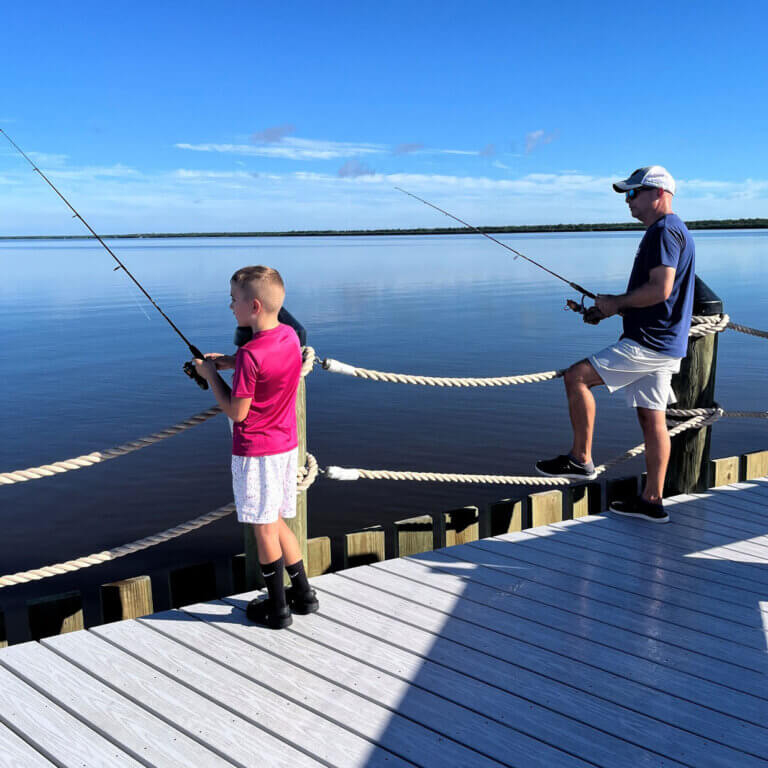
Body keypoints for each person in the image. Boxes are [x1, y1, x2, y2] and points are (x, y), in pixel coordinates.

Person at [536, 166, 695, 523]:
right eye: (627, 195)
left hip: (648, 343)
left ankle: (581, 460)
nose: (628, 202)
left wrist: (616, 303)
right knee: (652, 417)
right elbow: (657, 296)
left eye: (633, 194)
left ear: (658, 194)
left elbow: (660, 290)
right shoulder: (674, 230)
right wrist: (606, 310)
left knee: (576, 377)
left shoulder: (664, 232)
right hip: (666, 343)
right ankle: (652, 500)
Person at [194, 265, 318, 627]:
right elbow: (269, 368)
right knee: (277, 519)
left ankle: (277, 608)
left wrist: (212, 375)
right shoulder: (289, 338)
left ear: (254, 307)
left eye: (234, 300)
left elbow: (238, 411)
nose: (230, 306)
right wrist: (231, 362)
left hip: (257, 452)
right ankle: (303, 594)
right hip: (284, 446)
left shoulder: (251, 354)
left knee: (263, 528)